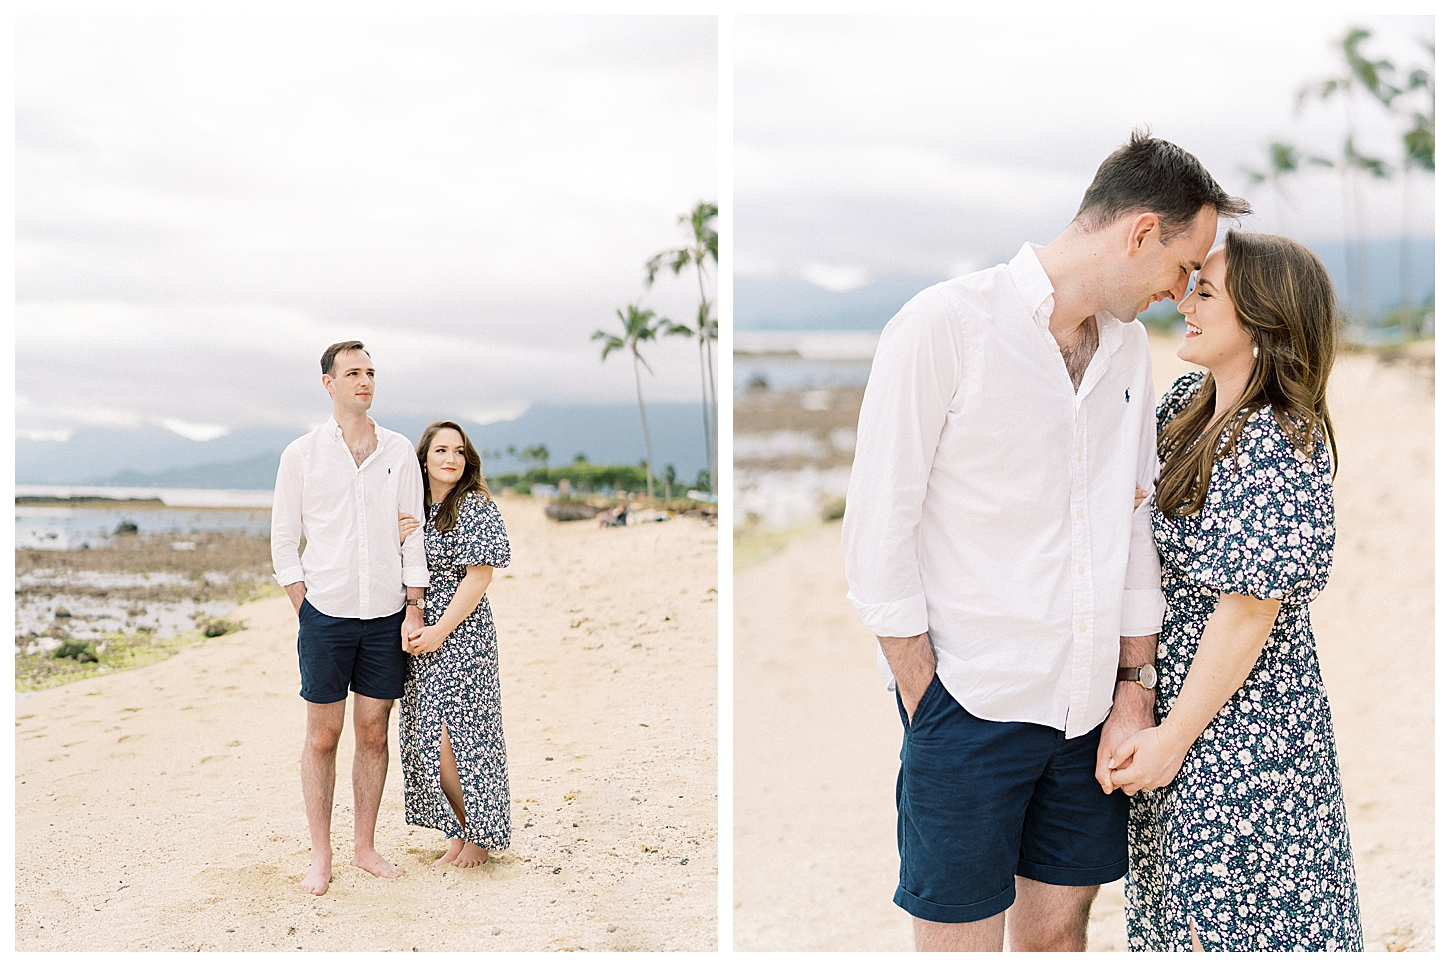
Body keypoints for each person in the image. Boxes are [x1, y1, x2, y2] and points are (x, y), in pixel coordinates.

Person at [841, 130, 1250, 952]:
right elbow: (877, 532)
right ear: (1139, 233)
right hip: (968, 703)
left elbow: (1131, 524)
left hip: (1089, 710)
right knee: (958, 944)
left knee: (1059, 938)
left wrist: (1134, 685)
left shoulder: (1129, 349)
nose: (1181, 292)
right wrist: (931, 702)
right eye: (1181, 267)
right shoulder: (941, 325)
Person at [1110, 232, 1362, 951]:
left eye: (1208, 293)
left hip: (1245, 730)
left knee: (1230, 926)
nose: (1186, 301)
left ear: (1262, 319)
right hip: (1188, 711)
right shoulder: (1191, 404)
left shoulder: (1279, 438)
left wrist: (1170, 739)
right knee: (1185, 917)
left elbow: (1249, 610)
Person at [270, 340, 429, 896]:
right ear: (328, 383)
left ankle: (364, 846)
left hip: (386, 613)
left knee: (373, 730)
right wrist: (303, 605)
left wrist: (414, 604)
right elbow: (284, 540)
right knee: (322, 735)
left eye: (370, 372)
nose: (365, 381)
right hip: (326, 615)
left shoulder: (400, 450)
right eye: (353, 372)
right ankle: (322, 854)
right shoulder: (302, 454)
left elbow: (415, 536)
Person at [395, 420, 513, 867]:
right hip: (423, 629)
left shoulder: (475, 505)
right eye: (441, 450)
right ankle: (460, 832)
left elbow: (479, 577)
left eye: (458, 452)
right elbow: (407, 569)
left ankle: (479, 836)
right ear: (423, 458)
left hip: (463, 633)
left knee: (463, 736)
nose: (450, 459)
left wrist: (439, 631)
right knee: (428, 735)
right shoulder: (416, 509)